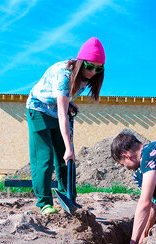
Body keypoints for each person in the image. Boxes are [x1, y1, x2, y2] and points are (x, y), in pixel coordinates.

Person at [26, 37, 105, 215]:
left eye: (98, 68)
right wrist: (69, 148)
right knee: (44, 157)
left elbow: (64, 102)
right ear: (80, 62)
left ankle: (68, 199)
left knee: (65, 159)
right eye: (90, 66)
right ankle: (44, 203)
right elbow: (62, 114)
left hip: (57, 110)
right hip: (38, 109)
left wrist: (69, 102)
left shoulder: (88, 76)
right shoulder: (65, 74)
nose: (93, 71)